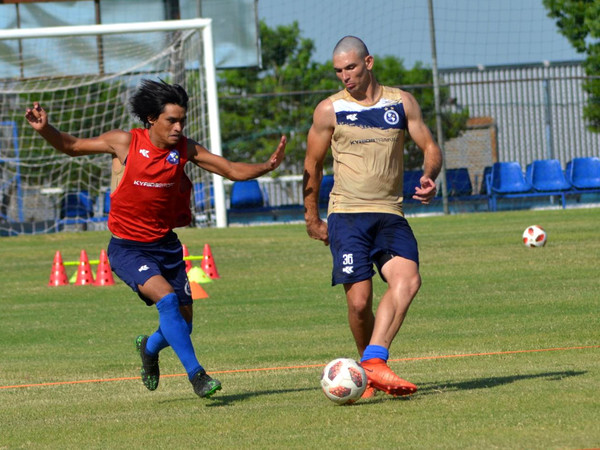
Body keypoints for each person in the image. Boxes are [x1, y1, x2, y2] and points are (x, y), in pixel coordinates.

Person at [26, 79, 286, 399]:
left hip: (167, 246)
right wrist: (45, 129)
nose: (178, 127)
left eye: (182, 120)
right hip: (128, 248)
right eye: (171, 120)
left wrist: (266, 166)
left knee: (184, 325)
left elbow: (230, 169)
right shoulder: (124, 143)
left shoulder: (185, 149)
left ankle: (149, 348)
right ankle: (197, 375)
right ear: (152, 119)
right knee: (167, 300)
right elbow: (72, 146)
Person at [303, 36, 441, 398]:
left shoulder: (400, 102)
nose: (344, 76)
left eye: (349, 67)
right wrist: (311, 218)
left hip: (390, 213)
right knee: (359, 302)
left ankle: (374, 362)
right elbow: (312, 165)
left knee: (408, 280)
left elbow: (429, 146)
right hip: (347, 215)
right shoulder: (329, 110)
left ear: (369, 62)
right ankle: (370, 368)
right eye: (338, 71)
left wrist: (430, 176)